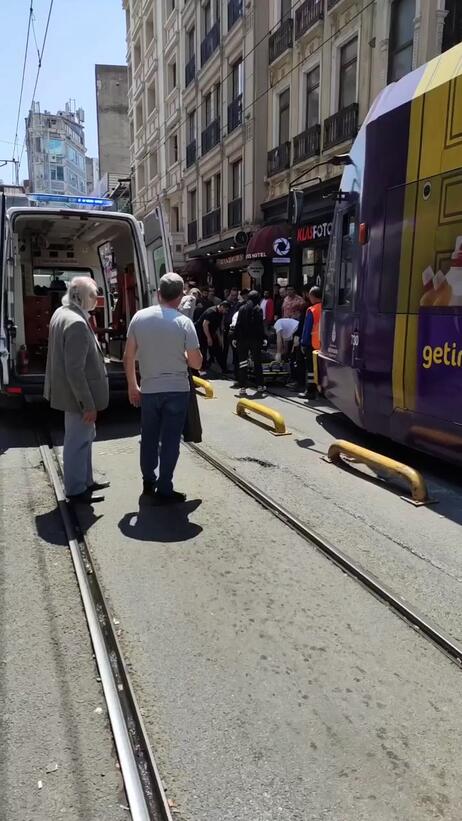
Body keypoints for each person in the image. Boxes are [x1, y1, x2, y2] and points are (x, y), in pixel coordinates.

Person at [123, 272, 202, 504]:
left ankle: (148, 482)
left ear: (158, 293)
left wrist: (132, 385)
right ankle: (165, 487)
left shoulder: (139, 318)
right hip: (177, 390)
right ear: (180, 296)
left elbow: (128, 357)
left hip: (148, 389)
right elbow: (196, 363)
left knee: (148, 437)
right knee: (170, 441)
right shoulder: (184, 322)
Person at [44, 276, 110, 503]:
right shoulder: (77, 324)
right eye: (93, 294)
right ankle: (75, 489)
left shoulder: (61, 313)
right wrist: (87, 404)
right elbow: (75, 371)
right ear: (80, 297)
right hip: (77, 397)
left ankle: (86, 480)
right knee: (77, 441)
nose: (97, 299)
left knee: (84, 438)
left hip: (67, 393)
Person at [234, 290, 265, 398]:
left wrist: (235, 338)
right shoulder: (258, 309)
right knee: (257, 362)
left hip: (242, 340)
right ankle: (260, 385)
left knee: (242, 363)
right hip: (255, 340)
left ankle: (242, 388)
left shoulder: (242, 309)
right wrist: (263, 339)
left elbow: (238, 325)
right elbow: (260, 327)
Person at [300, 285, 322, 399]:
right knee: (321, 369)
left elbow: (307, 329)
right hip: (323, 345)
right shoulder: (326, 308)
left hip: (312, 344)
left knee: (311, 369)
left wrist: (303, 343)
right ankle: (321, 391)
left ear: (312, 296)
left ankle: (310, 391)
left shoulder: (312, 310)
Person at [196, 300, 229, 373]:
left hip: (211, 332)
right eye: (225, 310)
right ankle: (202, 368)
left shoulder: (220, 313)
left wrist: (220, 339)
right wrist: (209, 338)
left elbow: (218, 327)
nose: (226, 312)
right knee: (203, 350)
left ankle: (224, 369)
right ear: (221, 307)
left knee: (218, 350)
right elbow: (205, 325)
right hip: (201, 332)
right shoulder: (211, 312)